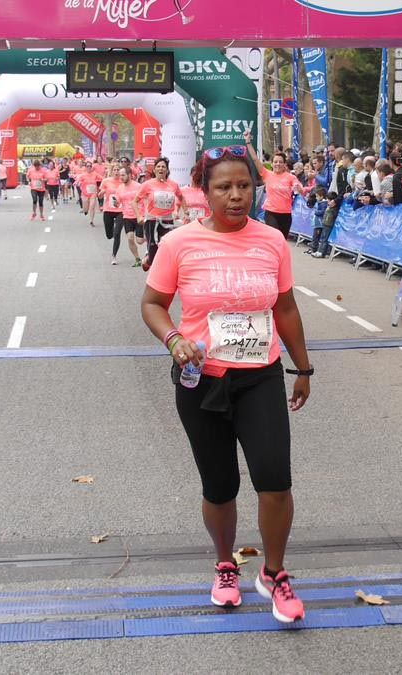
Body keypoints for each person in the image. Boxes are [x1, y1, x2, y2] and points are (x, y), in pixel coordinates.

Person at [139, 144, 312, 624]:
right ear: (204, 191)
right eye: (224, 187)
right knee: (219, 486)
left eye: (244, 186)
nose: (236, 196)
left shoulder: (272, 241)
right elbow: (152, 304)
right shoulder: (179, 243)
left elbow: (285, 307)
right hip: (201, 380)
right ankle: (225, 565)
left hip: (260, 376)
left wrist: (303, 368)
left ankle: (274, 574)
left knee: (274, 479)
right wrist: (174, 339)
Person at [244, 132, 304, 238]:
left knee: (282, 240)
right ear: (272, 164)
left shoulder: (290, 177)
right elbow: (255, 159)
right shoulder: (267, 174)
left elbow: (300, 189)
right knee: (274, 237)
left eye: (280, 162)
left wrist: (298, 188)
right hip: (271, 212)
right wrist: (248, 142)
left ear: (284, 164)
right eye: (275, 162)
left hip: (286, 214)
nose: (278, 164)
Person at [137, 157, 185, 270]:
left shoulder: (173, 185)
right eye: (158, 166)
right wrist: (139, 216)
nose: (161, 169)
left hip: (167, 221)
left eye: (163, 167)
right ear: (154, 170)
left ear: (167, 170)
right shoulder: (147, 185)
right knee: (153, 252)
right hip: (152, 221)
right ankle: (148, 259)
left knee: (167, 248)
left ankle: (161, 272)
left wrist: (184, 212)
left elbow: (181, 198)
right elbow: (135, 201)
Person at [116, 164, 145, 267]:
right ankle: (137, 259)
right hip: (127, 216)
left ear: (129, 175)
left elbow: (145, 199)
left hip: (139, 215)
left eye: (123, 175)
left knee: (140, 241)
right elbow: (118, 202)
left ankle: (150, 238)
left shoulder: (138, 186)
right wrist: (115, 203)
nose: (121, 177)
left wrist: (145, 214)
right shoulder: (119, 188)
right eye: (120, 175)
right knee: (130, 238)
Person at [99, 163, 126, 265]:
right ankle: (112, 233)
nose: (116, 172)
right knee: (109, 235)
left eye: (118, 170)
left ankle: (114, 256)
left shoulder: (124, 182)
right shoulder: (106, 181)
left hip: (120, 211)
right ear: (111, 171)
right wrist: (101, 193)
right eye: (114, 170)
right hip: (108, 210)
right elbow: (100, 196)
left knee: (117, 233)